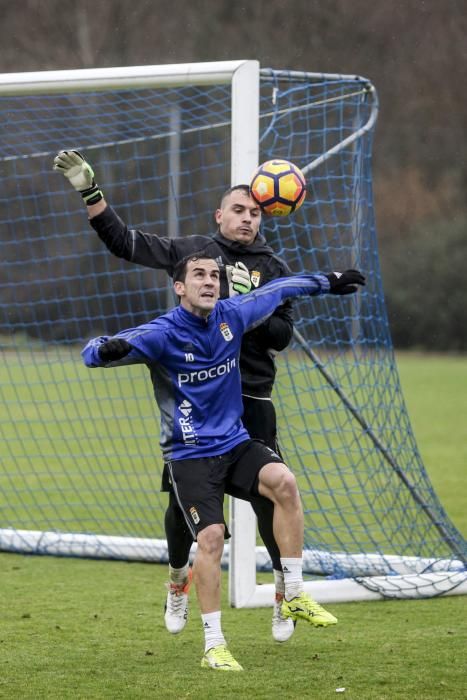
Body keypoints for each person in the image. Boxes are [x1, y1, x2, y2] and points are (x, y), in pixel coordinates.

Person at [53, 150, 298, 643]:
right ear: (220, 216)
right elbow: (124, 243)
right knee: (182, 501)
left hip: (252, 397)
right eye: (238, 210)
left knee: (273, 494)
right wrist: (89, 191)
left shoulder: (274, 268)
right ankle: (176, 580)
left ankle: (283, 595)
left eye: (254, 213)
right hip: (195, 399)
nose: (247, 219)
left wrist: (246, 307)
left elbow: (281, 335)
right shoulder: (194, 254)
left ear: (268, 213)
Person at [81, 252, 365, 671]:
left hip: (235, 445)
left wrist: (328, 280)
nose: (210, 281)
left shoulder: (232, 314)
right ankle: (213, 644)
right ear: (180, 287)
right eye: (199, 275)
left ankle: (295, 594)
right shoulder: (162, 334)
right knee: (210, 536)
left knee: (283, 482)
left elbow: (280, 289)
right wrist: (106, 350)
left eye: (214, 275)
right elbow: (92, 353)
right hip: (189, 455)